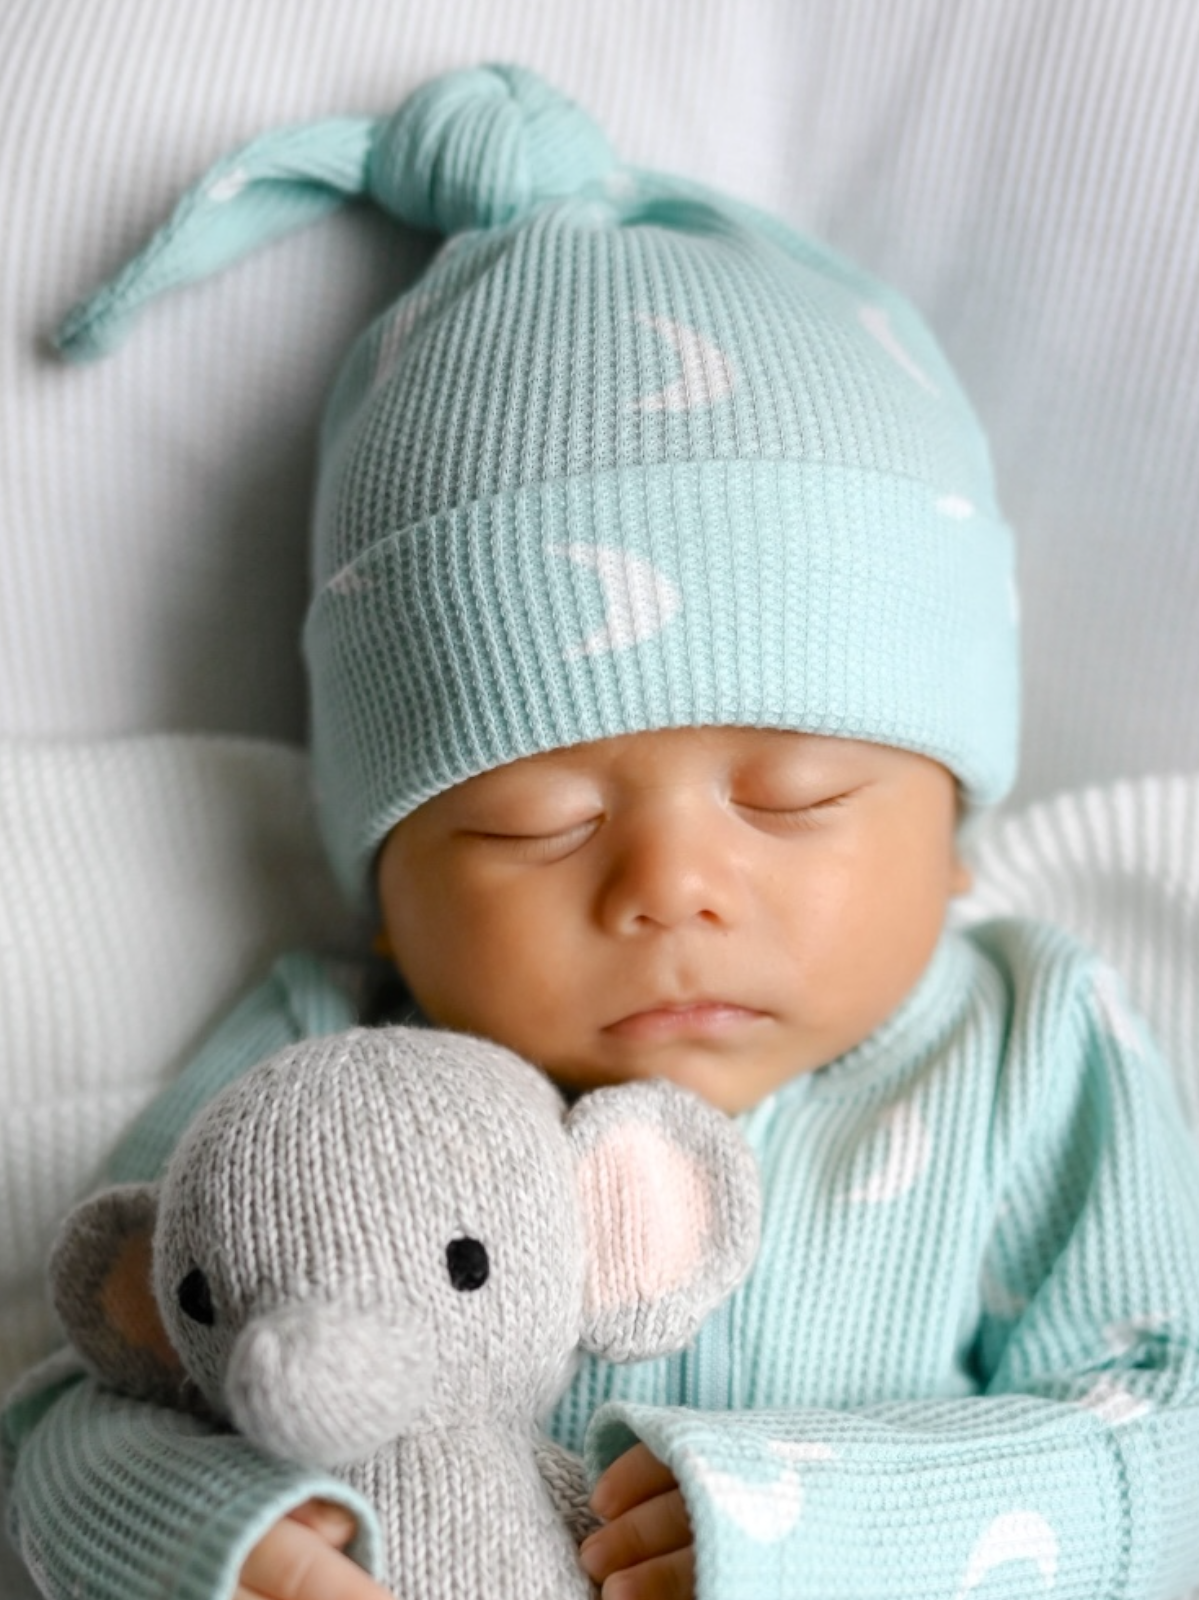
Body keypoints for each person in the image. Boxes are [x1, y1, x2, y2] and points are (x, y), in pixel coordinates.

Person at [7, 62, 1199, 1600]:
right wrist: (213, 1545)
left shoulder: (1029, 1045)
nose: (672, 885)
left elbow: (1166, 1429)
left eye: (793, 799)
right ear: (383, 887)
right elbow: (78, 1394)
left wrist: (820, 1536)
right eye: (531, 824)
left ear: (957, 826)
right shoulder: (323, 1063)